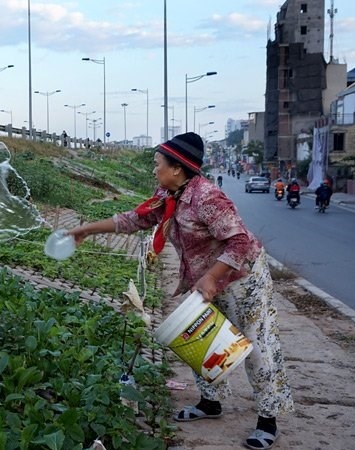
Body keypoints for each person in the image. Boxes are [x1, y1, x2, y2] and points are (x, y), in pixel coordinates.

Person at [68, 132, 293, 450]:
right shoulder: (168, 194)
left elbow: (239, 240)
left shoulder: (207, 197)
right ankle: (210, 403)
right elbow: (136, 219)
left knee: (255, 347)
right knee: (203, 339)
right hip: (207, 279)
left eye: (158, 164)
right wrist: (86, 229)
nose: (154, 169)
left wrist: (212, 278)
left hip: (243, 279)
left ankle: (268, 420)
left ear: (177, 168)